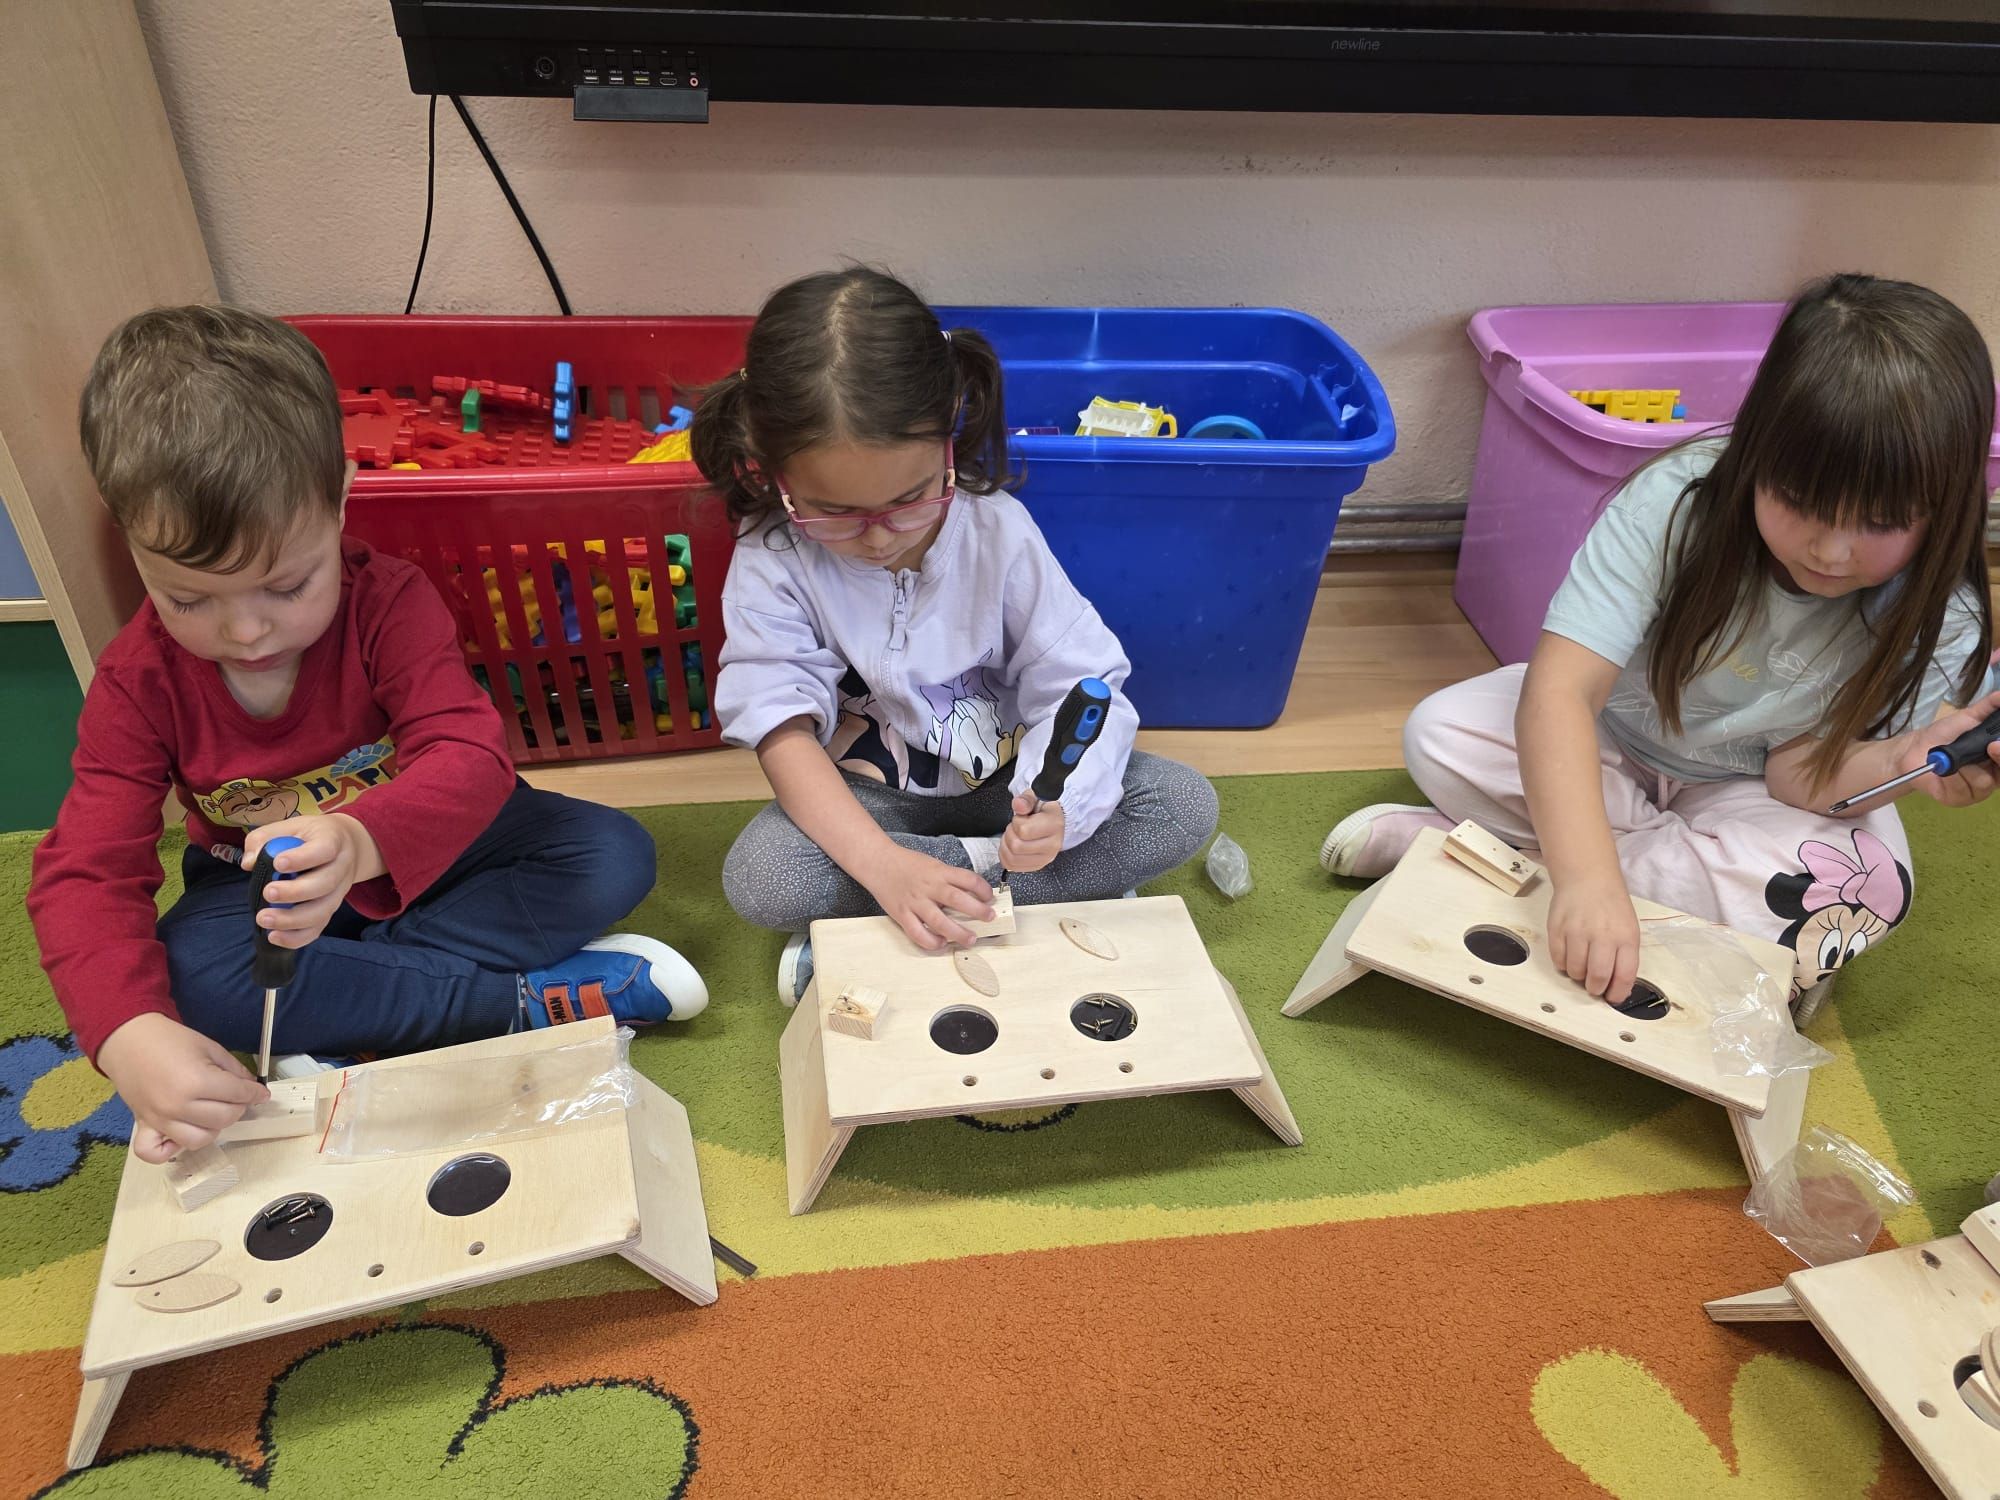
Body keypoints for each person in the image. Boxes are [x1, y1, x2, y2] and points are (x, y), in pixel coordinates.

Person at [29, 305, 707, 1165]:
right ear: (126, 537)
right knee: (192, 971)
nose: (246, 632)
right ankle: (515, 1004)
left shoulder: (389, 602)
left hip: (433, 849)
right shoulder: (140, 680)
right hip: (268, 893)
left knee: (610, 853)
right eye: (188, 599)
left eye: (287, 585)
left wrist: (359, 840)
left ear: (341, 497)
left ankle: (363, 1006)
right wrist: (127, 1034)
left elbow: (469, 756)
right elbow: (86, 869)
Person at [1321, 273, 1997, 1006]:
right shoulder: (1676, 500)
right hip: (1616, 737)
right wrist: (1587, 882)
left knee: (1872, 889)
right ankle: (1635, 890)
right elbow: (1562, 693)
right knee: (1442, 732)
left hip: (1752, 791)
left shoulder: (1945, 612)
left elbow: (1798, 777)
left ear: (1947, 504)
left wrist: (1901, 759)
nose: (1831, 552)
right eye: (1800, 502)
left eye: (1881, 522)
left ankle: (1497, 856)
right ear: (1755, 454)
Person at [693, 267, 1219, 1003]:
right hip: (878, 805)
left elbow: (1079, 682)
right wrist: (882, 864)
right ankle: (1001, 897)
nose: (879, 537)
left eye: (910, 498)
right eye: (833, 511)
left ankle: (908, 912)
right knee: (763, 878)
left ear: (949, 435)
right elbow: (781, 731)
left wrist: (1059, 810)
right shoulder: (773, 555)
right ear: (772, 471)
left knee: (1182, 803)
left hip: (1010, 787)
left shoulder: (997, 532)